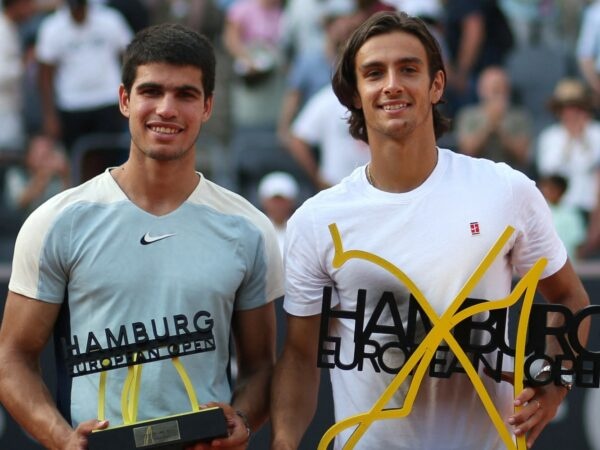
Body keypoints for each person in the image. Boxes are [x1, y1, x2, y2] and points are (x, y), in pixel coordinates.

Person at [270, 11, 589, 450]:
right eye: (374, 73)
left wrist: (555, 384)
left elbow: (570, 296)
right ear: (355, 93)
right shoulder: (317, 219)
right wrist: (284, 443)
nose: (392, 84)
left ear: (437, 85)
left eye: (408, 69)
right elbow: (301, 356)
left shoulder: (505, 189)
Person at [0, 22, 283, 450]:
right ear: (124, 99)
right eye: (151, 91)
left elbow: (261, 368)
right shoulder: (58, 222)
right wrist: (63, 440)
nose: (166, 109)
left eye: (185, 95)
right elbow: (12, 360)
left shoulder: (248, 229)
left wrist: (241, 419)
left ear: (207, 106)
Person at [36, 0, 133, 154]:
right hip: (72, 104)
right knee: (77, 157)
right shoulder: (52, 27)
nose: (78, 13)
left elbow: (128, 58)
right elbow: (45, 76)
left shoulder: (110, 19)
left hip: (107, 100)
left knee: (108, 154)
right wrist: (49, 116)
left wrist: (130, 98)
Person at [535, 78, 600, 225]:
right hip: (561, 209)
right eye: (566, 108)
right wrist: (569, 142)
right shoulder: (550, 136)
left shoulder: (596, 132)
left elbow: (595, 164)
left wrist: (583, 139)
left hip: (593, 207)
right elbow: (549, 171)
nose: (571, 113)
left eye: (577, 108)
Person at [455, 65, 533, 176]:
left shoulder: (519, 116)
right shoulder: (468, 115)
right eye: (494, 89)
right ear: (481, 90)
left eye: (502, 88)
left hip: (511, 175)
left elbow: (522, 156)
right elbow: (467, 151)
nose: (498, 94)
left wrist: (501, 128)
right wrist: (489, 124)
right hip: (477, 175)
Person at [537, 174, 586, 261]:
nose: (547, 191)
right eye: (546, 188)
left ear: (562, 191)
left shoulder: (572, 214)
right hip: (542, 264)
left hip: (567, 262)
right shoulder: (538, 211)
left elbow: (577, 244)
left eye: (552, 189)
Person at [257, 171, 299, 256]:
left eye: (282, 201)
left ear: (292, 202)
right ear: (264, 201)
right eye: (274, 201)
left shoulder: (300, 231)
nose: (278, 206)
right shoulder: (255, 231)